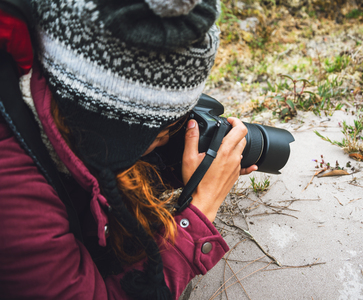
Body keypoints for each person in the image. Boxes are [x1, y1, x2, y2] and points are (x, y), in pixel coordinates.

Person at [0, 0, 257, 299]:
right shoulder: (13, 190)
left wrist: (185, 170)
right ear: (112, 132)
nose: (165, 139)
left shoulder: (62, 110)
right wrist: (201, 209)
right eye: (163, 133)